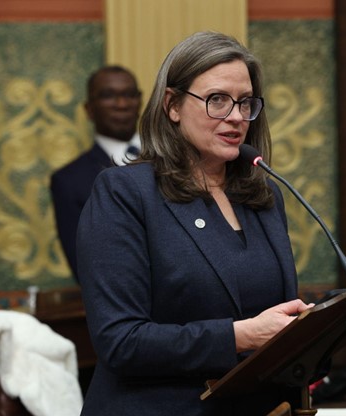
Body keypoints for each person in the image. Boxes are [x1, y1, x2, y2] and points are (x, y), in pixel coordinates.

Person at [76, 31, 313, 415]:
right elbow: (120, 341)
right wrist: (239, 336)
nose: (236, 117)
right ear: (172, 105)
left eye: (245, 103)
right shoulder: (125, 193)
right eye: (217, 100)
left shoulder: (263, 196)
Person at [50, 65, 143, 280]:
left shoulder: (173, 159)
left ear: (140, 102)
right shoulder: (70, 181)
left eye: (129, 95)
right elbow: (84, 266)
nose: (121, 104)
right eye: (108, 96)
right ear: (89, 109)